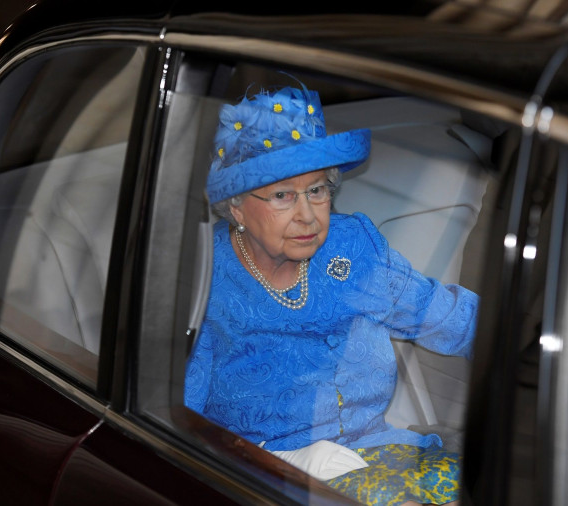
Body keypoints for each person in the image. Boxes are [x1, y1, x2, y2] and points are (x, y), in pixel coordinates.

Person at [184, 83, 478, 506]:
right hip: (261, 476)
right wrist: (277, 460)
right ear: (236, 207)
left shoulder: (353, 246)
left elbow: (440, 313)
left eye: (317, 190)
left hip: (381, 450)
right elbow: (176, 416)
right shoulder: (205, 274)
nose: (307, 215)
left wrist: (532, 348)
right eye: (283, 195)